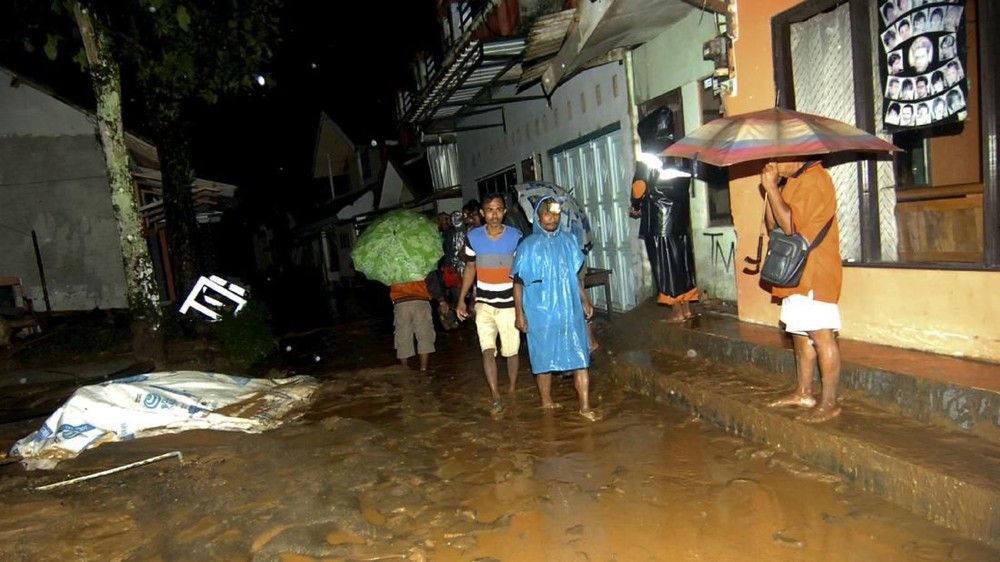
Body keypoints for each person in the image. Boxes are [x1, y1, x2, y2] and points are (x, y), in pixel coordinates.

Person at [760, 159, 843, 424]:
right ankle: (804, 392)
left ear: (795, 155)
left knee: (821, 335)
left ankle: (830, 402)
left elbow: (791, 226)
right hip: (796, 272)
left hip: (815, 271)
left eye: (777, 157)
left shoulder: (815, 179)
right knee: (800, 334)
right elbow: (773, 226)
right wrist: (771, 191)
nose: (773, 163)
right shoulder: (794, 181)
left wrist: (772, 188)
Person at [512, 196, 596, 421]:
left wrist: (585, 300)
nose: (552, 218)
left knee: (580, 356)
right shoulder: (528, 246)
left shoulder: (569, 241)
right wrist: (519, 313)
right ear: (538, 217)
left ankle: (585, 406)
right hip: (540, 312)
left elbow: (574, 276)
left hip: (569, 309)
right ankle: (546, 401)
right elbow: (518, 282)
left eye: (556, 213)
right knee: (543, 358)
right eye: (547, 213)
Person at [455, 193, 523, 412]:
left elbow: (521, 273)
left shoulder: (516, 237)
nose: (494, 214)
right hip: (483, 303)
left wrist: (522, 307)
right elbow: (470, 268)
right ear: (482, 213)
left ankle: (512, 389)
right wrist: (462, 300)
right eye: (490, 210)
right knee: (487, 349)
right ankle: (495, 394)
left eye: (498, 209)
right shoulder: (473, 237)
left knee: (511, 352)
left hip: (509, 304)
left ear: (504, 212)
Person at [631, 107, 699, 323]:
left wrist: (635, 205)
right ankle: (687, 308)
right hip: (680, 217)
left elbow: (639, 185)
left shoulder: (650, 154)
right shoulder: (681, 151)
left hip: (659, 219)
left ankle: (676, 312)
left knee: (666, 264)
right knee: (682, 262)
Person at [390, 270, 448, 372]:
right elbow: (431, 280)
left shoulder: (392, 264)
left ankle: (404, 370)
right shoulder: (421, 261)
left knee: (403, 336)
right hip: (420, 300)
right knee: (424, 334)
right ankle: (423, 369)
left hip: (401, 302)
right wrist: (441, 300)